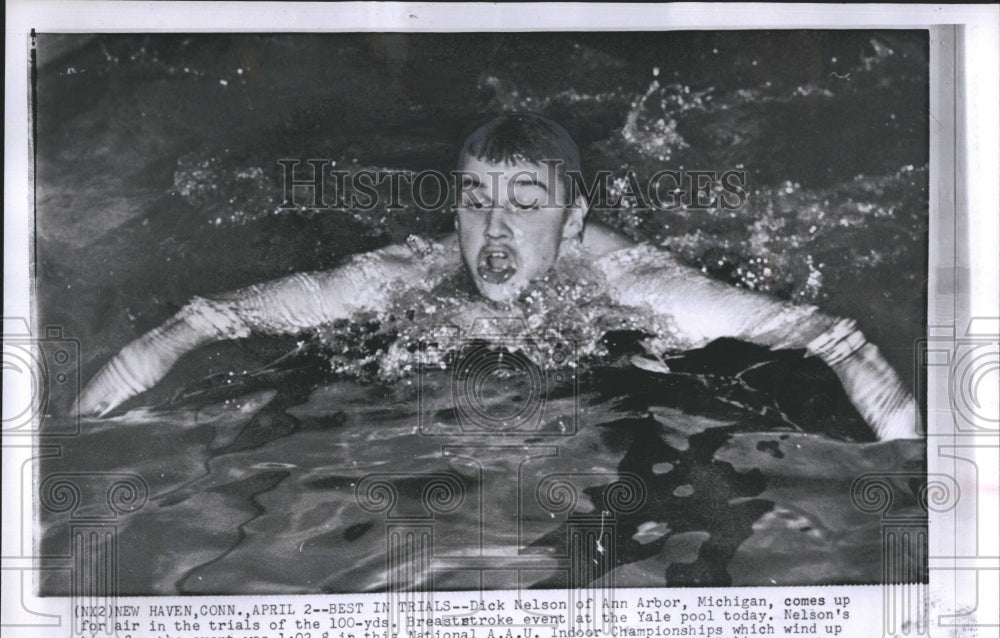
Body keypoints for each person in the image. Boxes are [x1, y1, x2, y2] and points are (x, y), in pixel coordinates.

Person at [77, 113, 919, 440]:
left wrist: (919, 485)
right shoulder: (404, 273)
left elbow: (833, 338)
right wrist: (70, 449)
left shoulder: (648, 288)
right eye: (476, 200)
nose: (496, 226)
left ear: (573, 222)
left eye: (525, 203)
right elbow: (205, 316)